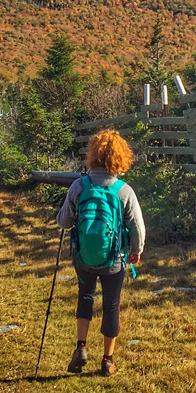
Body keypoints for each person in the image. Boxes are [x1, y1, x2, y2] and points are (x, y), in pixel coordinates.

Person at [56, 129, 145, 377]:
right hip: (113, 260)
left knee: (85, 296)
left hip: (83, 258)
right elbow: (137, 227)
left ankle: (81, 347)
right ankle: (107, 360)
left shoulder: (78, 186)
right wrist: (136, 251)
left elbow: (64, 222)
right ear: (120, 157)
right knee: (111, 304)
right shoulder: (123, 190)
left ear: (92, 155)